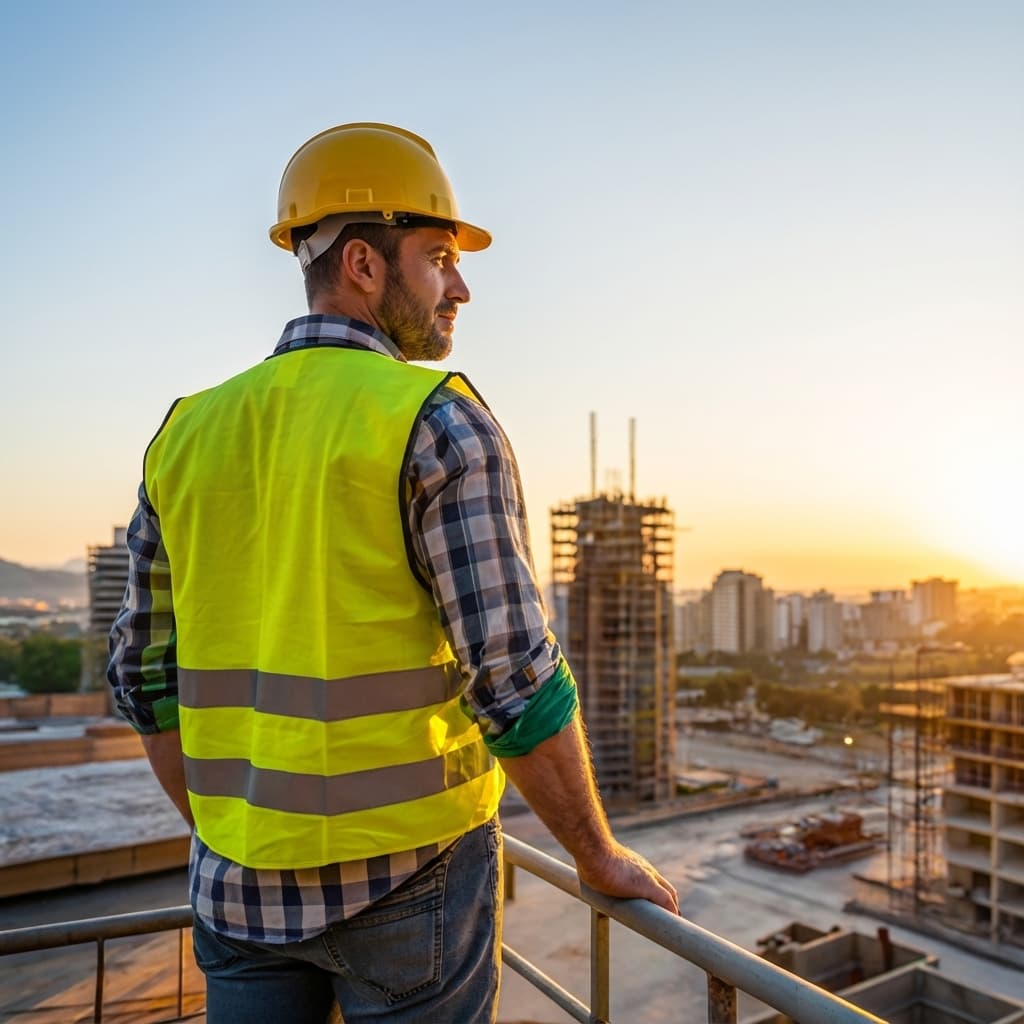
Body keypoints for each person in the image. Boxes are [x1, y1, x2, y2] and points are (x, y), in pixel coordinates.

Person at [108, 122, 678, 1024]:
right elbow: (514, 680)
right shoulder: (436, 422)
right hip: (408, 883)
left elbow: (143, 678)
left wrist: (229, 828)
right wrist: (597, 853)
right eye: (440, 257)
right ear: (366, 266)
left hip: (236, 889)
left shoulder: (187, 432)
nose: (461, 287)